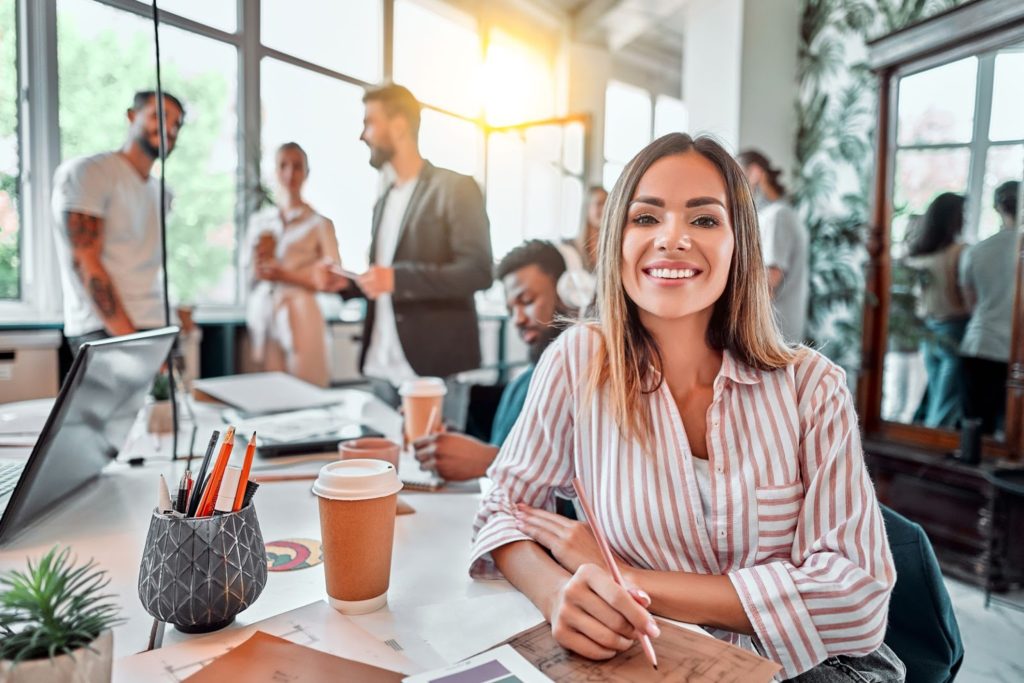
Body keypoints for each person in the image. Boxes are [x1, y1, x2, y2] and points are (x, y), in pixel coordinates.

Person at [470, 133, 902, 681]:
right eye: (645, 218)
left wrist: (621, 577)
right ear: (616, 242)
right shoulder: (579, 360)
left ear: (738, 244)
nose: (672, 239)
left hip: (815, 670)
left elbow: (856, 599)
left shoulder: (811, 386)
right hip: (654, 661)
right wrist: (556, 593)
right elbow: (502, 509)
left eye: (703, 220)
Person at [317, 84, 492, 405]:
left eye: (370, 122)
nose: (363, 135)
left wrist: (397, 278)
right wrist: (349, 284)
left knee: (433, 457)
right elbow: (384, 280)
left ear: (398, 126)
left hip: (434, 367)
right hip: (380, 366)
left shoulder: (455, 188)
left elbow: (478, 271)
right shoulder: (383, 201)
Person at [413, 240, 570, 481]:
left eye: (527, 301)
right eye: (510, 309)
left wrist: (490, 461)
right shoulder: (522, 384)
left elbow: (584, 491)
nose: (517, 319)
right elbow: (500, 451)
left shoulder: (586, 384)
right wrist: (454, 448)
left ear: (567, 292)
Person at [52, 91, 186, 353]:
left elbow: (144, 264)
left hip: (159, 325)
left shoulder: (163, 193)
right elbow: (85, 261)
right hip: (106, 329)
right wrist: (131, 340)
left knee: (174, 396)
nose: (168, 128)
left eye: (177, 124)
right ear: (132, 116)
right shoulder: (90, 173)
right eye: (158, 116)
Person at [244, 142, 341, 387]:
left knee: (307, 388)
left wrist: (285, 275)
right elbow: (247, 273)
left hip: (302, 313)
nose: (290, 173)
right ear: (275, 172)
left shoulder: (320, 224)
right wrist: (258, 269)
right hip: (266, 313)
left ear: (306, 173)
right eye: (283, 166)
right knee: (268, 391)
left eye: (297, 167)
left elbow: (334, 279)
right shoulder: (260, 223)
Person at [960, 180, 1021, 435]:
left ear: (998, 207)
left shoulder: (977, 251)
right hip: (1015, 350)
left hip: (980, 343)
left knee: (975, 431)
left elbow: (970, 304)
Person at [904, 193, 969, 428]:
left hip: (929, 330)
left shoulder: (919, 254)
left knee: (936, 395)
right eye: (962, 214)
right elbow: (965, 296)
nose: (965, 219)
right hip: (953, 329)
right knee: (945, 402)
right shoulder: (959, 252)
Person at [738, 149, 808, 343]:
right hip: (774, 331)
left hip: (775, 333)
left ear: (754, 173)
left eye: (738, 176)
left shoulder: (778, 216)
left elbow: (769, 280)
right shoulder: (775, 214)